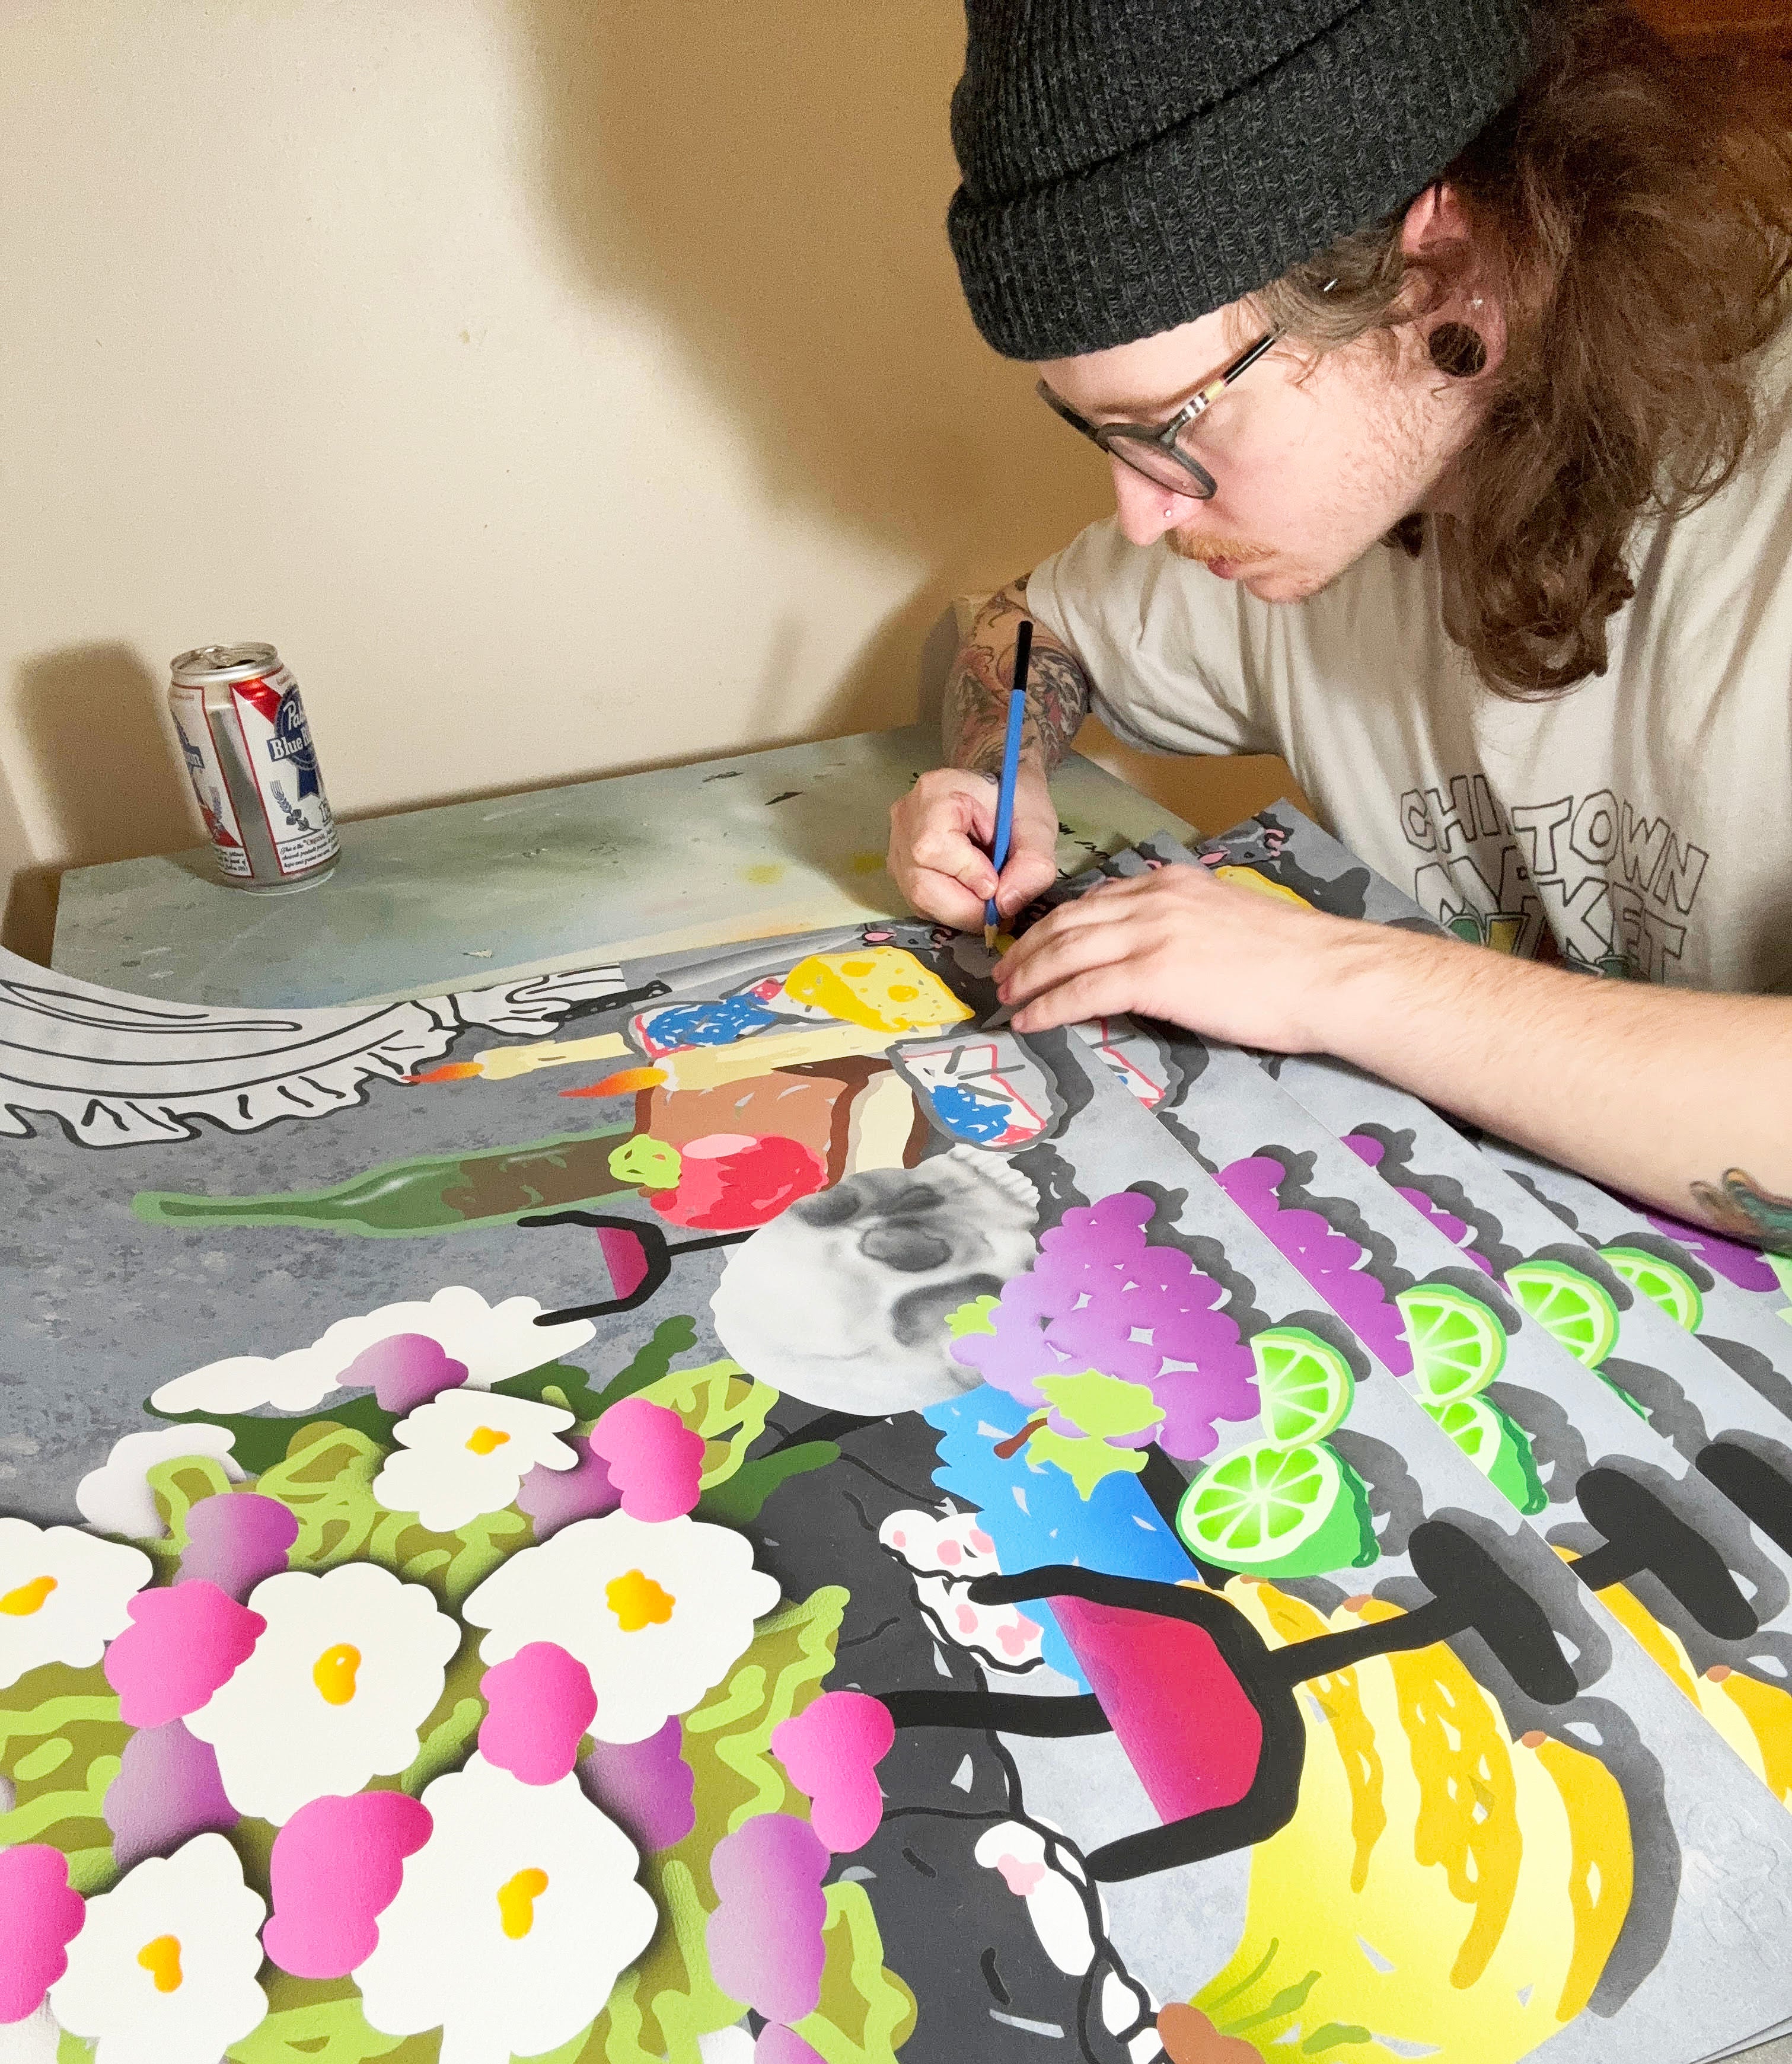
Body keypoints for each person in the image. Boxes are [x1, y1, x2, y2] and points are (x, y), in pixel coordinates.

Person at [887, 0, 1792, 1253]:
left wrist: (1330, 974)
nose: (1142, 517)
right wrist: (1007, 772)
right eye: (1099, 438)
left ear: (1446, 274)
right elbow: (1034, 632)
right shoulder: (1306, 524)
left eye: (1174, 426)